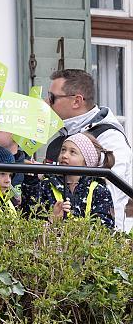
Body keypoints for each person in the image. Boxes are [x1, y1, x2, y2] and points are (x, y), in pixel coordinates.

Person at [46, 69, 132, 231]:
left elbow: (111, 195)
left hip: (96, 242)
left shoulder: (109, 138)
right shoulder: (60, 138)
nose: (46, 102)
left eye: (52, 98)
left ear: (77, 101)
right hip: (58, 242)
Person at [22, 132, 115, 228]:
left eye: (72, 152)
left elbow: (104, 230)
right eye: (63, 150)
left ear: (86, 162)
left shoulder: (99, 190)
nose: (64, 155)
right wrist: (52, 220)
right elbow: (30, 223)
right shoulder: (45, 185)